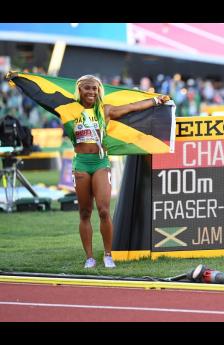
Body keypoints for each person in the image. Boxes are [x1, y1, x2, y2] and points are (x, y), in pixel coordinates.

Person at [6, 72, 169, 269]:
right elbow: (41, 95)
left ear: (98, 91)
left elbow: (132, 107)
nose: (91, 91)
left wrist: (155, 101)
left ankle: (109, 255)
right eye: (87, 88)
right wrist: (19, 79)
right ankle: (89, 257)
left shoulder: (105, 110)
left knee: (103, 210)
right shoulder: (67, 110)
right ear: (79, 90)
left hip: (100, 162)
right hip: (81, 164)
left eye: (94, 88)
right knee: (84, 212)